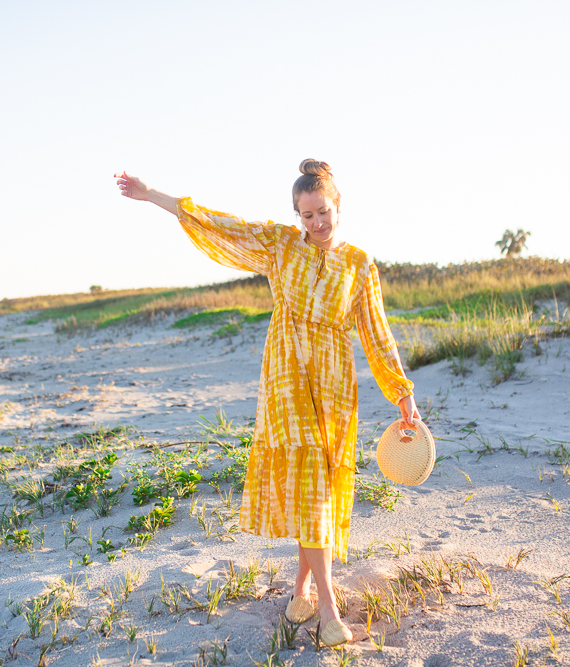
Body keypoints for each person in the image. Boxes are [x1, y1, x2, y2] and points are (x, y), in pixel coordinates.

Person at [115, 159, 420, 646]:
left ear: (338, 206)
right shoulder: (279, 245)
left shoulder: (360, 264)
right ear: (297, 216)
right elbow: (220, 224)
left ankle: (300, 588)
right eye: (307, 215)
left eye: (323, 211)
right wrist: (153, 195)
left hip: (335, 383)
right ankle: (328, 611)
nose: (316, 223)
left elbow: (377, 333)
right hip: (287, 377)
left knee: (317, 485)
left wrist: (402, 393)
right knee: (312, 485)